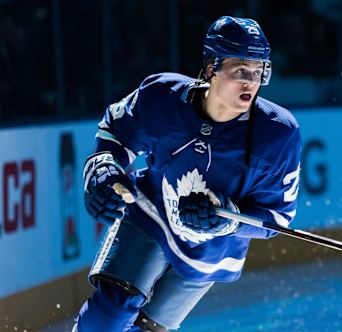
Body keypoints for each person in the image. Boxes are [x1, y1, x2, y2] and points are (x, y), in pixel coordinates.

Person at [74, 16, 302, 331]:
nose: (251, 81)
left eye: (259, 70)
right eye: (240, 70)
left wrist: (228, 218)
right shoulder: (161, 94)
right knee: (110, 313)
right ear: (211, 67)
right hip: (151, 212)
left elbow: (277, 219)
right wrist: (103, 170)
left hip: (210, 248)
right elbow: (115, 134)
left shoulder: (278, 133)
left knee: (148, 328)